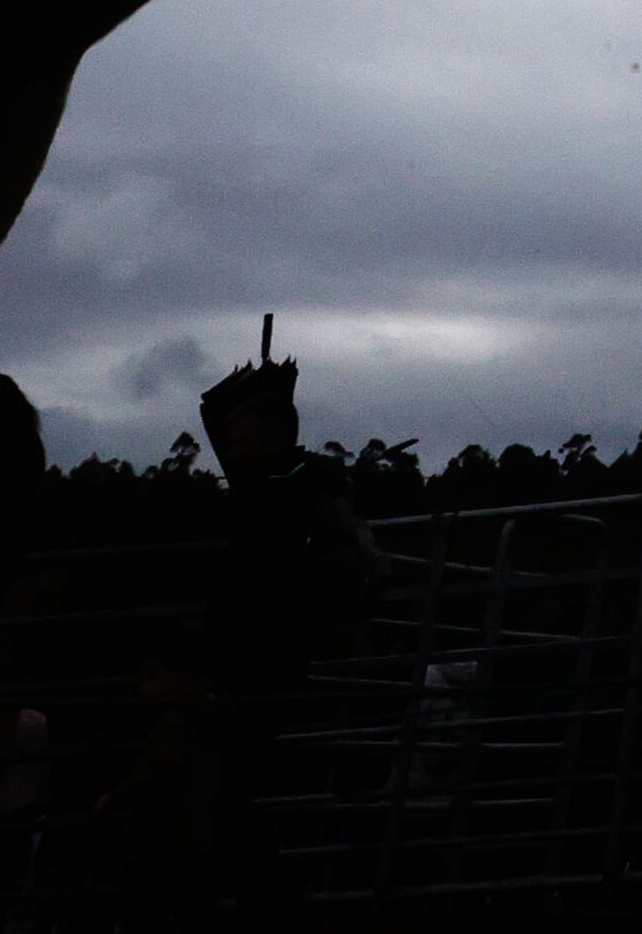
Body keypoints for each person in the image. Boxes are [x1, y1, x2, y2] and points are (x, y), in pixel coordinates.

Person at [195, 343, 373, 924]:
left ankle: (274, 908)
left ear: (270, 443)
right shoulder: (293, 486)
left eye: (243, 444)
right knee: (241, 798)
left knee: (229, 803)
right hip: (265, 662)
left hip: (262, 665)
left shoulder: (281, 496)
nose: (233, 455)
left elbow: (262, 584)